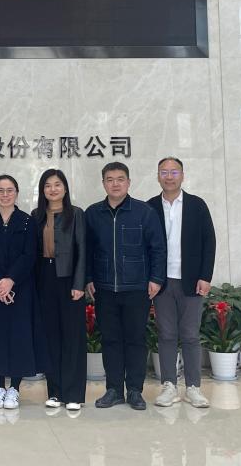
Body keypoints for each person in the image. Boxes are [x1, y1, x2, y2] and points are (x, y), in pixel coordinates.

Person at [85, 162, 166, 411]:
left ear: (129, 182)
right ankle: (113, 390)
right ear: (103, 184)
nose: (115, 184)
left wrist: (156, 279)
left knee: (135, 340)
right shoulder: (93, 213)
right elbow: (86, 250)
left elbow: (158, 248)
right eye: (110, 179)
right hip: (104, 288)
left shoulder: (144, 212)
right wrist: (88, 278)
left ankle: (134, 390)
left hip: (137, 288)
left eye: (120, 179)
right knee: (110, 340)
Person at [147, 157, 216, 409]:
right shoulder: (150, 207)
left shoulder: (197, 205)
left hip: (191, 281)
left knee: (190, 335)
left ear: (182, 175)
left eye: (174, 172)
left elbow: (209, 242)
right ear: (158, 176)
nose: (169, 176)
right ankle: (169, 386)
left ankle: (194, 387)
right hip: (161, 282)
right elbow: (144, 245)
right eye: (164, 172)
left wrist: (205, 276)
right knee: (166, 334)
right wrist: (150, 278)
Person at [0, 174, 47, 410]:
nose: (5, 194)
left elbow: (30, 255)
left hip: (21, 288)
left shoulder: (28, 221)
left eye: (10, 190)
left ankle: (15, 389)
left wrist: (10, 280)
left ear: (17, 193)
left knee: (20, 337)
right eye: (1, 190)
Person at [32, 168, 87, 411]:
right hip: (44, 278)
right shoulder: (36, 215)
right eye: (48, 185)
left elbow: (83, 250)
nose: (52, 189)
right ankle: (54, 392)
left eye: (57, 184)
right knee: (50, 337)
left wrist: (79, 283)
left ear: (65, 188)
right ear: (42, 190)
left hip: (69, 279)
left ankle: (73, 393)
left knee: (72, 337)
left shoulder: (76, 214)